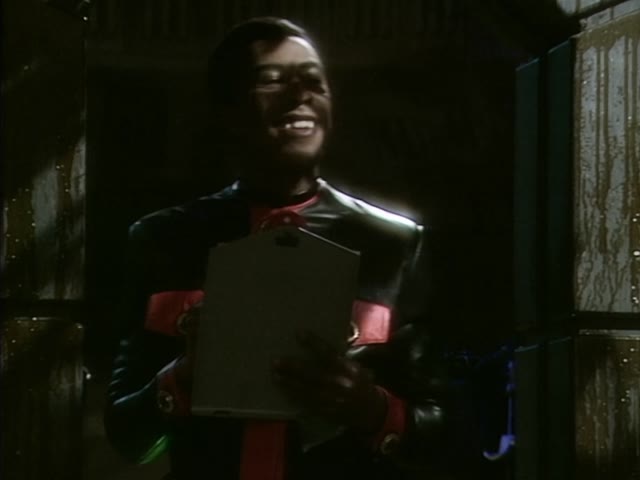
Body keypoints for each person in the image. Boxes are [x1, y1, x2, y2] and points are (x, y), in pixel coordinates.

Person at [105, 17, 451, 480]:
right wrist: (186, 376)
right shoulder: (164, 240)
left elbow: (445, 436)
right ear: (227, 110)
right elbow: (128, 437)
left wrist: (369, 408)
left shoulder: (394, 245)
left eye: (314, 81)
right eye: (271, 79)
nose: (299, 94)